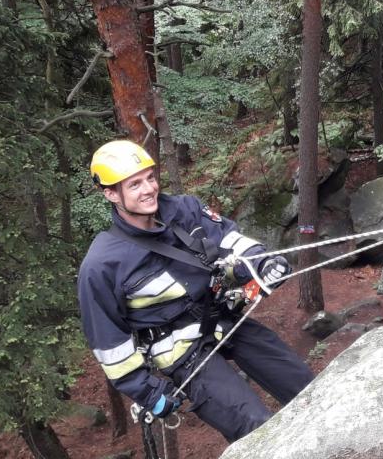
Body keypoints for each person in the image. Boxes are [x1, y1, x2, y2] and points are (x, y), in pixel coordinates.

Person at [77, 139, 315, 441]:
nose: (149, 189)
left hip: (221, 319)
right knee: (256, 428)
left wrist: (261, 263)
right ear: (111, 193)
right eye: (134, 185)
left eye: (150, 177)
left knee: (306, 386)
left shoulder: (183, 209)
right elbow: (110, 346)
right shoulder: (101, 265)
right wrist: (149, 393)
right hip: (180, 352)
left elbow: (230, 239)